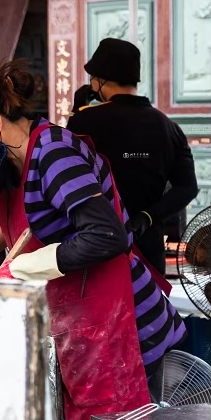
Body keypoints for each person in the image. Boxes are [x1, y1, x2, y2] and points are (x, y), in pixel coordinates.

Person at [0, 61, 185, 420]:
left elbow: (107, 234)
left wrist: (28, 266)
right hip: (77, 328)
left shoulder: (54, 154)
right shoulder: (12, 163)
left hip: (125, 329)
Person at [68, 38, 198, 276]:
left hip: (98, 251)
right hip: (149, 252)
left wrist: (76, 113)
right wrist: (148, 217)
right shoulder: (169, 127)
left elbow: (67, 168)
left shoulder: (85, 121)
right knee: (152, 312)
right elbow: (188, 188)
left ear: (100, 80)